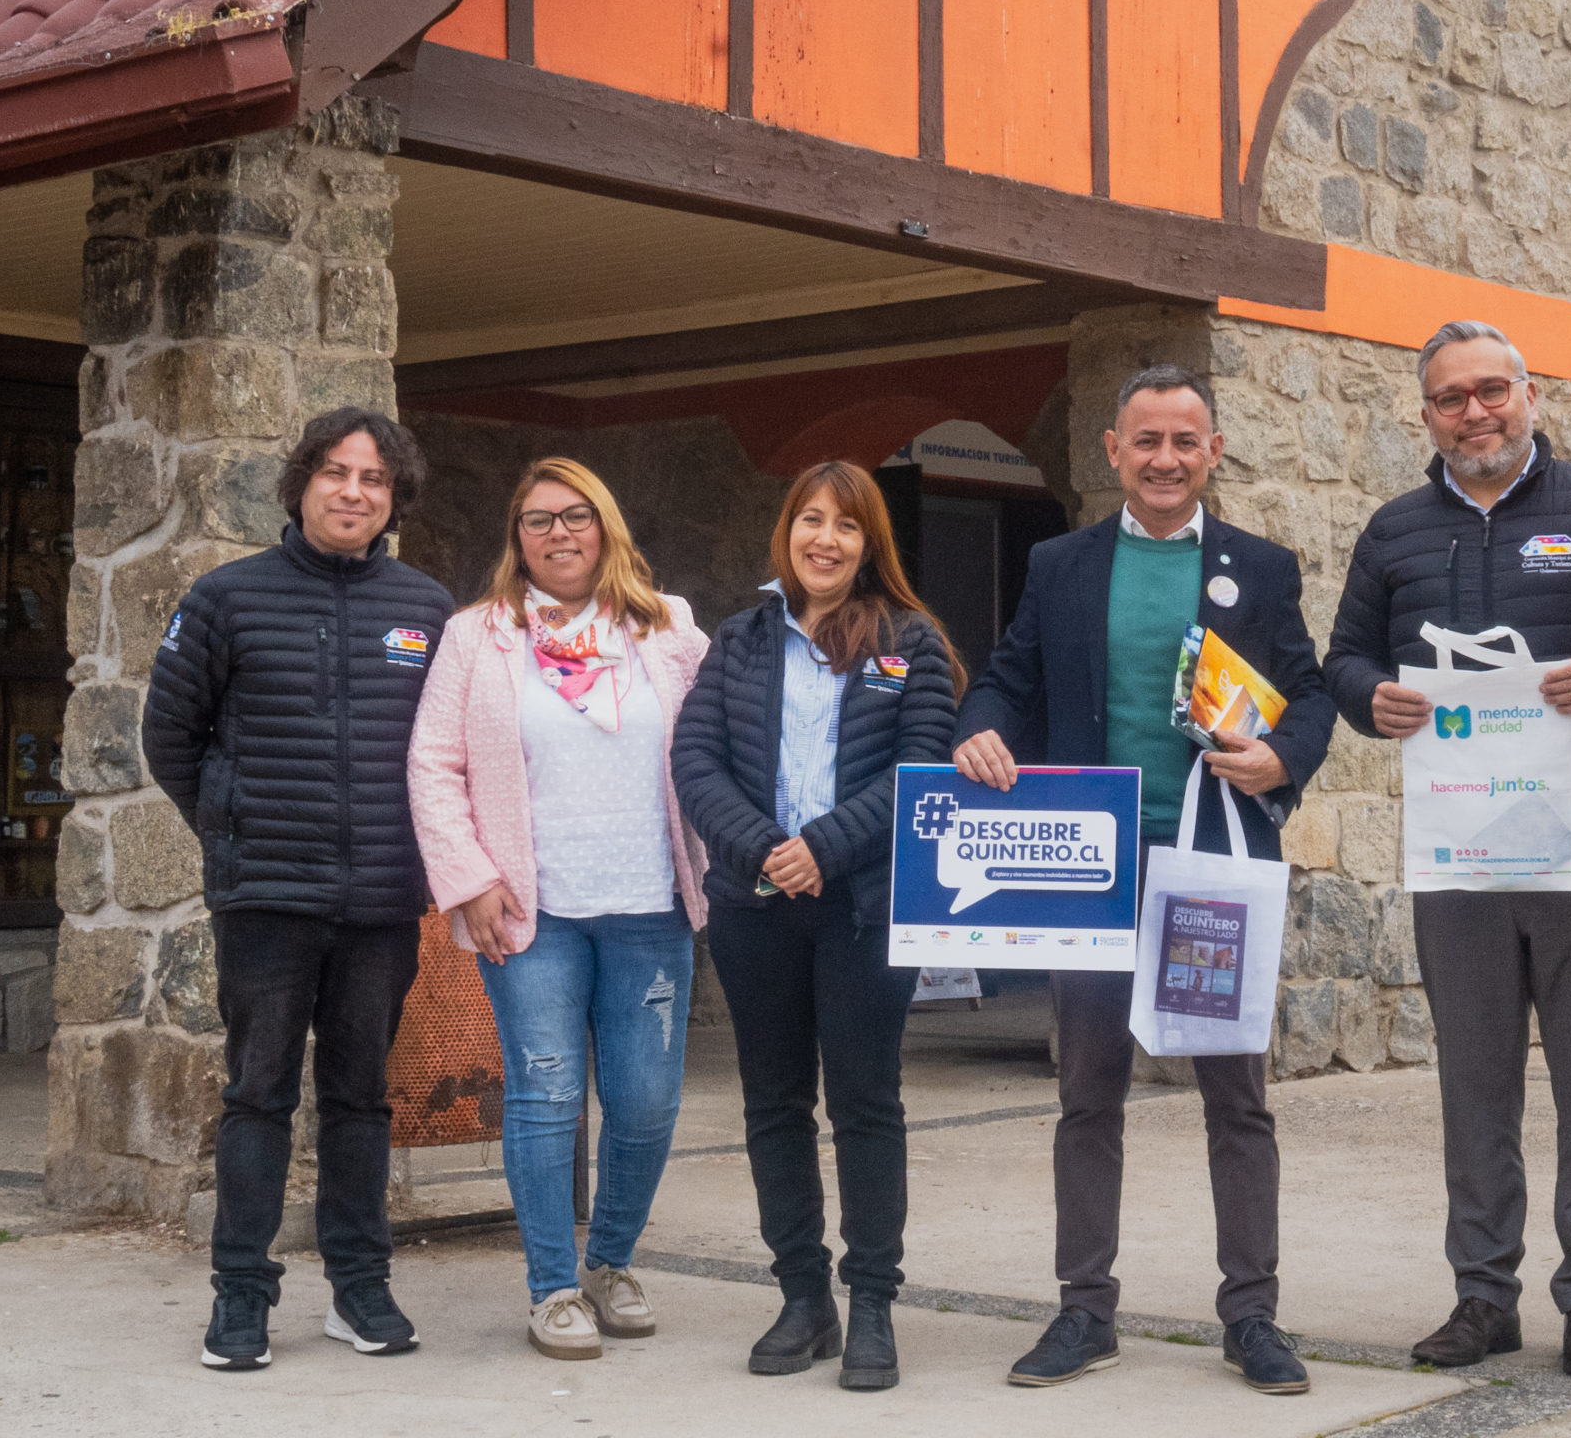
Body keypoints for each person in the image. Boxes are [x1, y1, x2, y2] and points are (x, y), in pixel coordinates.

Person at [954, 365, 1336, 1396]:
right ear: (1114, 452)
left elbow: (1306, 694)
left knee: (1235, 1097)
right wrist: (979, 726)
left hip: (1211, 865)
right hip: (1092, 869)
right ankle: (1085, 1310)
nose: (1164, 460)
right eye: (1146, 441)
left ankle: (1251, 1317)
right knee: (1088, 1092)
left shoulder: (1259, 567)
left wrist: (1282, 759)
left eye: (1184, 442)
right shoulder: (1060, 564)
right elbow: (1008, 676)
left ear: (1212, 453)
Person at [1322, 321, 1571, 1380]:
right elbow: (1343, 656)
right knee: (1474, 1076)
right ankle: (1482, 1296)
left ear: (1530, 394)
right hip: (1459, 843)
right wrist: (1366, 698)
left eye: (1491, 391)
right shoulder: (1395, 530)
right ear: (1427, 416)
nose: (1474, 412)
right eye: (1450, 398)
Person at [141, 407, 455, 1370]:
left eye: (373, 478)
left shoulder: (429, 609)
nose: (353, 491)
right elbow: (169, 739)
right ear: (301, 483)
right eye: (335, 472)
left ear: (393, 498)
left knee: (361, 1098)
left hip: (382, 904)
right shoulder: (225, 598)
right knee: (258, 1095)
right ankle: (241, 1299)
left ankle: (360, 1291)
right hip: (267, 903)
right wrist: (235, 830)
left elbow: (448, 752)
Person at [405, 458, 710, 1361]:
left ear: (606, 527)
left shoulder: (668, 631)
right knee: (546, 1096)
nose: (559, 534)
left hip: (651, 903)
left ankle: (609, 1263)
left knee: (647, 1103)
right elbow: (433, 765)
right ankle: (550, 1287)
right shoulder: (477, 637)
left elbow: (723, 737)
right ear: (518, 539)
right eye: (538, 521)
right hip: (530, 913)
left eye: (576, 517)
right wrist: (468, 878)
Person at [671, 461, 962, 1392]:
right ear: (786, 533)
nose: (824, 539)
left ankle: (873, 1298)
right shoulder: (742, 637)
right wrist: (764, 849)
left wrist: (822, 850)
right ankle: (804, 1298)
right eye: (809, 520)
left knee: (867, 1104)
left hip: (864, 908)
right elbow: (694, 757)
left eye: (845, 525)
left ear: (869, 542)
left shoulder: (909, 642)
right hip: (757, 908)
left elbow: (921, 771)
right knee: (774, 1104)